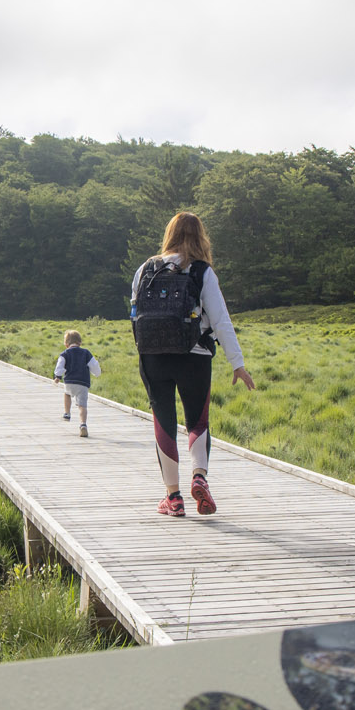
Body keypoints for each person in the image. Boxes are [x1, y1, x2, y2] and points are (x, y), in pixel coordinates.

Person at [129, 212, 255, 517]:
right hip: (195, 355)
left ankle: (173, 498)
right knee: (197, 422)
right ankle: (199, 476)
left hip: (153, 356)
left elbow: (134, 313)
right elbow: (221, 321)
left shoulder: (146, 268)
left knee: (164, 421)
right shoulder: (202, 272)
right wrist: (237, 363)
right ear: (201, 236)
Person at [53, 329, 101, 437]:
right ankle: (83, 424)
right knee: (82, 406)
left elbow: (60, 365)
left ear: (66, 344)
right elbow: (94, 366)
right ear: (80, 342)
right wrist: (97, 373)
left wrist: (58, 376)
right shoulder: (86, 353)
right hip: (83, 383)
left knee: (67, 394)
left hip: (69, 382)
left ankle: (67, 413)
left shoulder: (65, 353)